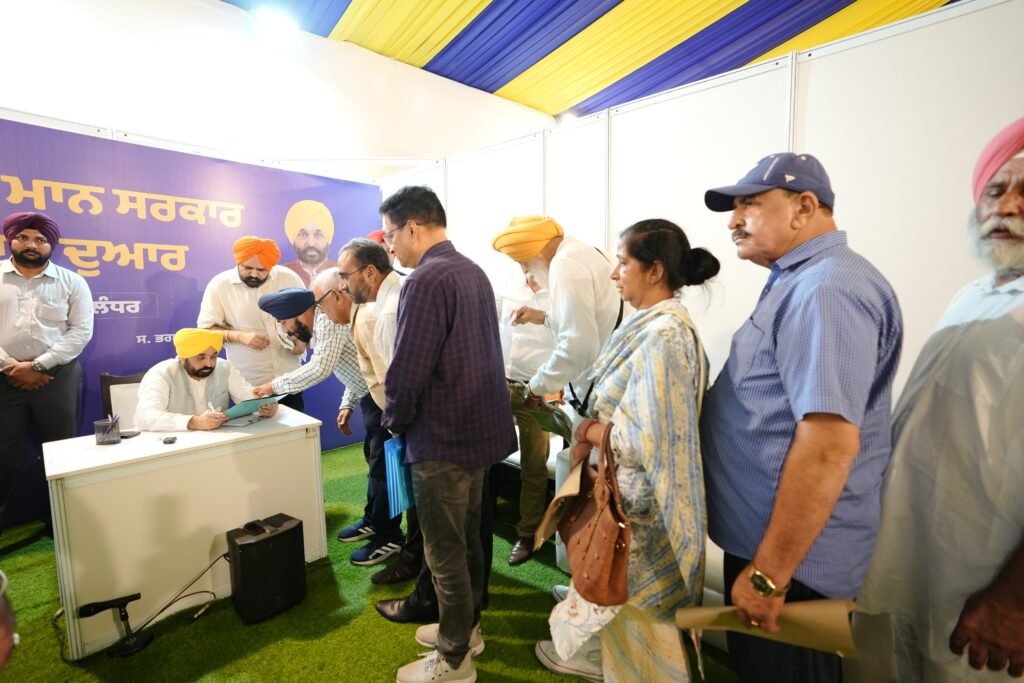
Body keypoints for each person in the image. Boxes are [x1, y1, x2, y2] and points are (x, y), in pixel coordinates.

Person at [699, 153, 903, 683]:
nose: (733, 220)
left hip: (791, 566)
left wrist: (768, 576)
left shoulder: (826, 289)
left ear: (804, 208)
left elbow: (828, 447)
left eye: (750, 204)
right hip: (774, 550)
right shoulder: (801, 278)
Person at [856, 117, 1024, 681]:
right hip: (913, 558)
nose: (1007, 206)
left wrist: (1013, 602)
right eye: (995, 190)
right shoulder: (975, 293)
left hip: (987, 587)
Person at [535, 219, 718, 682]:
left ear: (654, 271)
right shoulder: (653, 326)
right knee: (631, 631)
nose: (614, 274)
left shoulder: (664, 336)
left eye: (622, 263)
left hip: (638, 509)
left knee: (643, 639)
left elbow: (642, 440)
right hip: (627, 499)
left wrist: (588, 429)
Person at [381, 186, 516, 683]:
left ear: (413, 227)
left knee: (445, 553)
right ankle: (467, 628)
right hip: (478, 433)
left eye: (391, 235)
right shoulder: (472, 270)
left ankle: (455, 658)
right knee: (469, 543)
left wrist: (395, 420)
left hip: (442, 438)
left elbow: (407, 370)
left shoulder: (425, 279)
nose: (390, 246)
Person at [491, 215, 622, 564]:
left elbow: (577, 344)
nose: (524, 270)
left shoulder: (565, 265)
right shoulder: (583, 254)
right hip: (585, 392)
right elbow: (580, 325)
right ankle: (584, 573)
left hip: (586, 396)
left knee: (589, 487)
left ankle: (581, 569)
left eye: (523, 261)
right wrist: (542, 318)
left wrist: (538, 387)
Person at [0, 212, 93, 521]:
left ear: (51, 245)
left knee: (62, 453)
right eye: (23, 237)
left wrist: (39, 365)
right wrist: (10, 365)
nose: (31, 244)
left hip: (57, 376)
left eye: (40, 239)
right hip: (3, 377)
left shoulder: (72, 282)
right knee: (3, 459)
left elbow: (81, 331)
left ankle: (64, 524)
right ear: (10, 240)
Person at [330, 238, 406, 567]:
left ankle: (393, 539)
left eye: (344, 277)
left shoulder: (380, 313)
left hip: (395, 411)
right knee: (379, 468)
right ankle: (380, 526)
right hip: (384, 406)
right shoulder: (370, 303)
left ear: (370, 272)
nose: (342, 286)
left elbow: (392, 378)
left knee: (389, 474)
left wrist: (398, 424)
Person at [251, 271, 368, 441]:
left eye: (283, 322)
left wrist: (271, 387)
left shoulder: (329, 319)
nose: (285, 330)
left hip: (380, 395)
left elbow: (320, 368)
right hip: (370, 395)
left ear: (299, 313)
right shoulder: (325, 319)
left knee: (379, 452)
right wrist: (348, 403)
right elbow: (356, 364)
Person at [197, 236, 305, 412]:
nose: (254, 274)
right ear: (238, 262)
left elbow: (307, 316)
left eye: (261, 270)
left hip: (289, 377)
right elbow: (206, 331)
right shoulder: (220, 285)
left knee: (296, 426)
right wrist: (240, 336)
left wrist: (301, 342)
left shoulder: (288, 278)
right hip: (249, 383)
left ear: (271, 267)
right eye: (247, 268)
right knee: (256, 427)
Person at [496, 273, 557, 566]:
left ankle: (527, 532)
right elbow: (497, 332)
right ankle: (484, 515)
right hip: (500, 383)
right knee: (484, 452)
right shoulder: (509, 285)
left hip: (537, 388)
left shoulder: (559, 290)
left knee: (534, 464)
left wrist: (542, 316)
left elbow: (573, 335)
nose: (524, 265)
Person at [134, 328, 278, 432]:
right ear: (184, 356)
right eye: (200, 357)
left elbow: (249, 397)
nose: (209, 364)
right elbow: (144, 417)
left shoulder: (224, 368)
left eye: (213, 356)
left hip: (216, 444)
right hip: (173, 448)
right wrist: (194, 422)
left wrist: (265, 406)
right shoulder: (161, 374)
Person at [281, 200, 335, 286]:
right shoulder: (281, 275)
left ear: (328, 238)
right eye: (303, 235)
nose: (311, 243)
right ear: (293, 239)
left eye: (318, 235)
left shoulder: (343, 273)